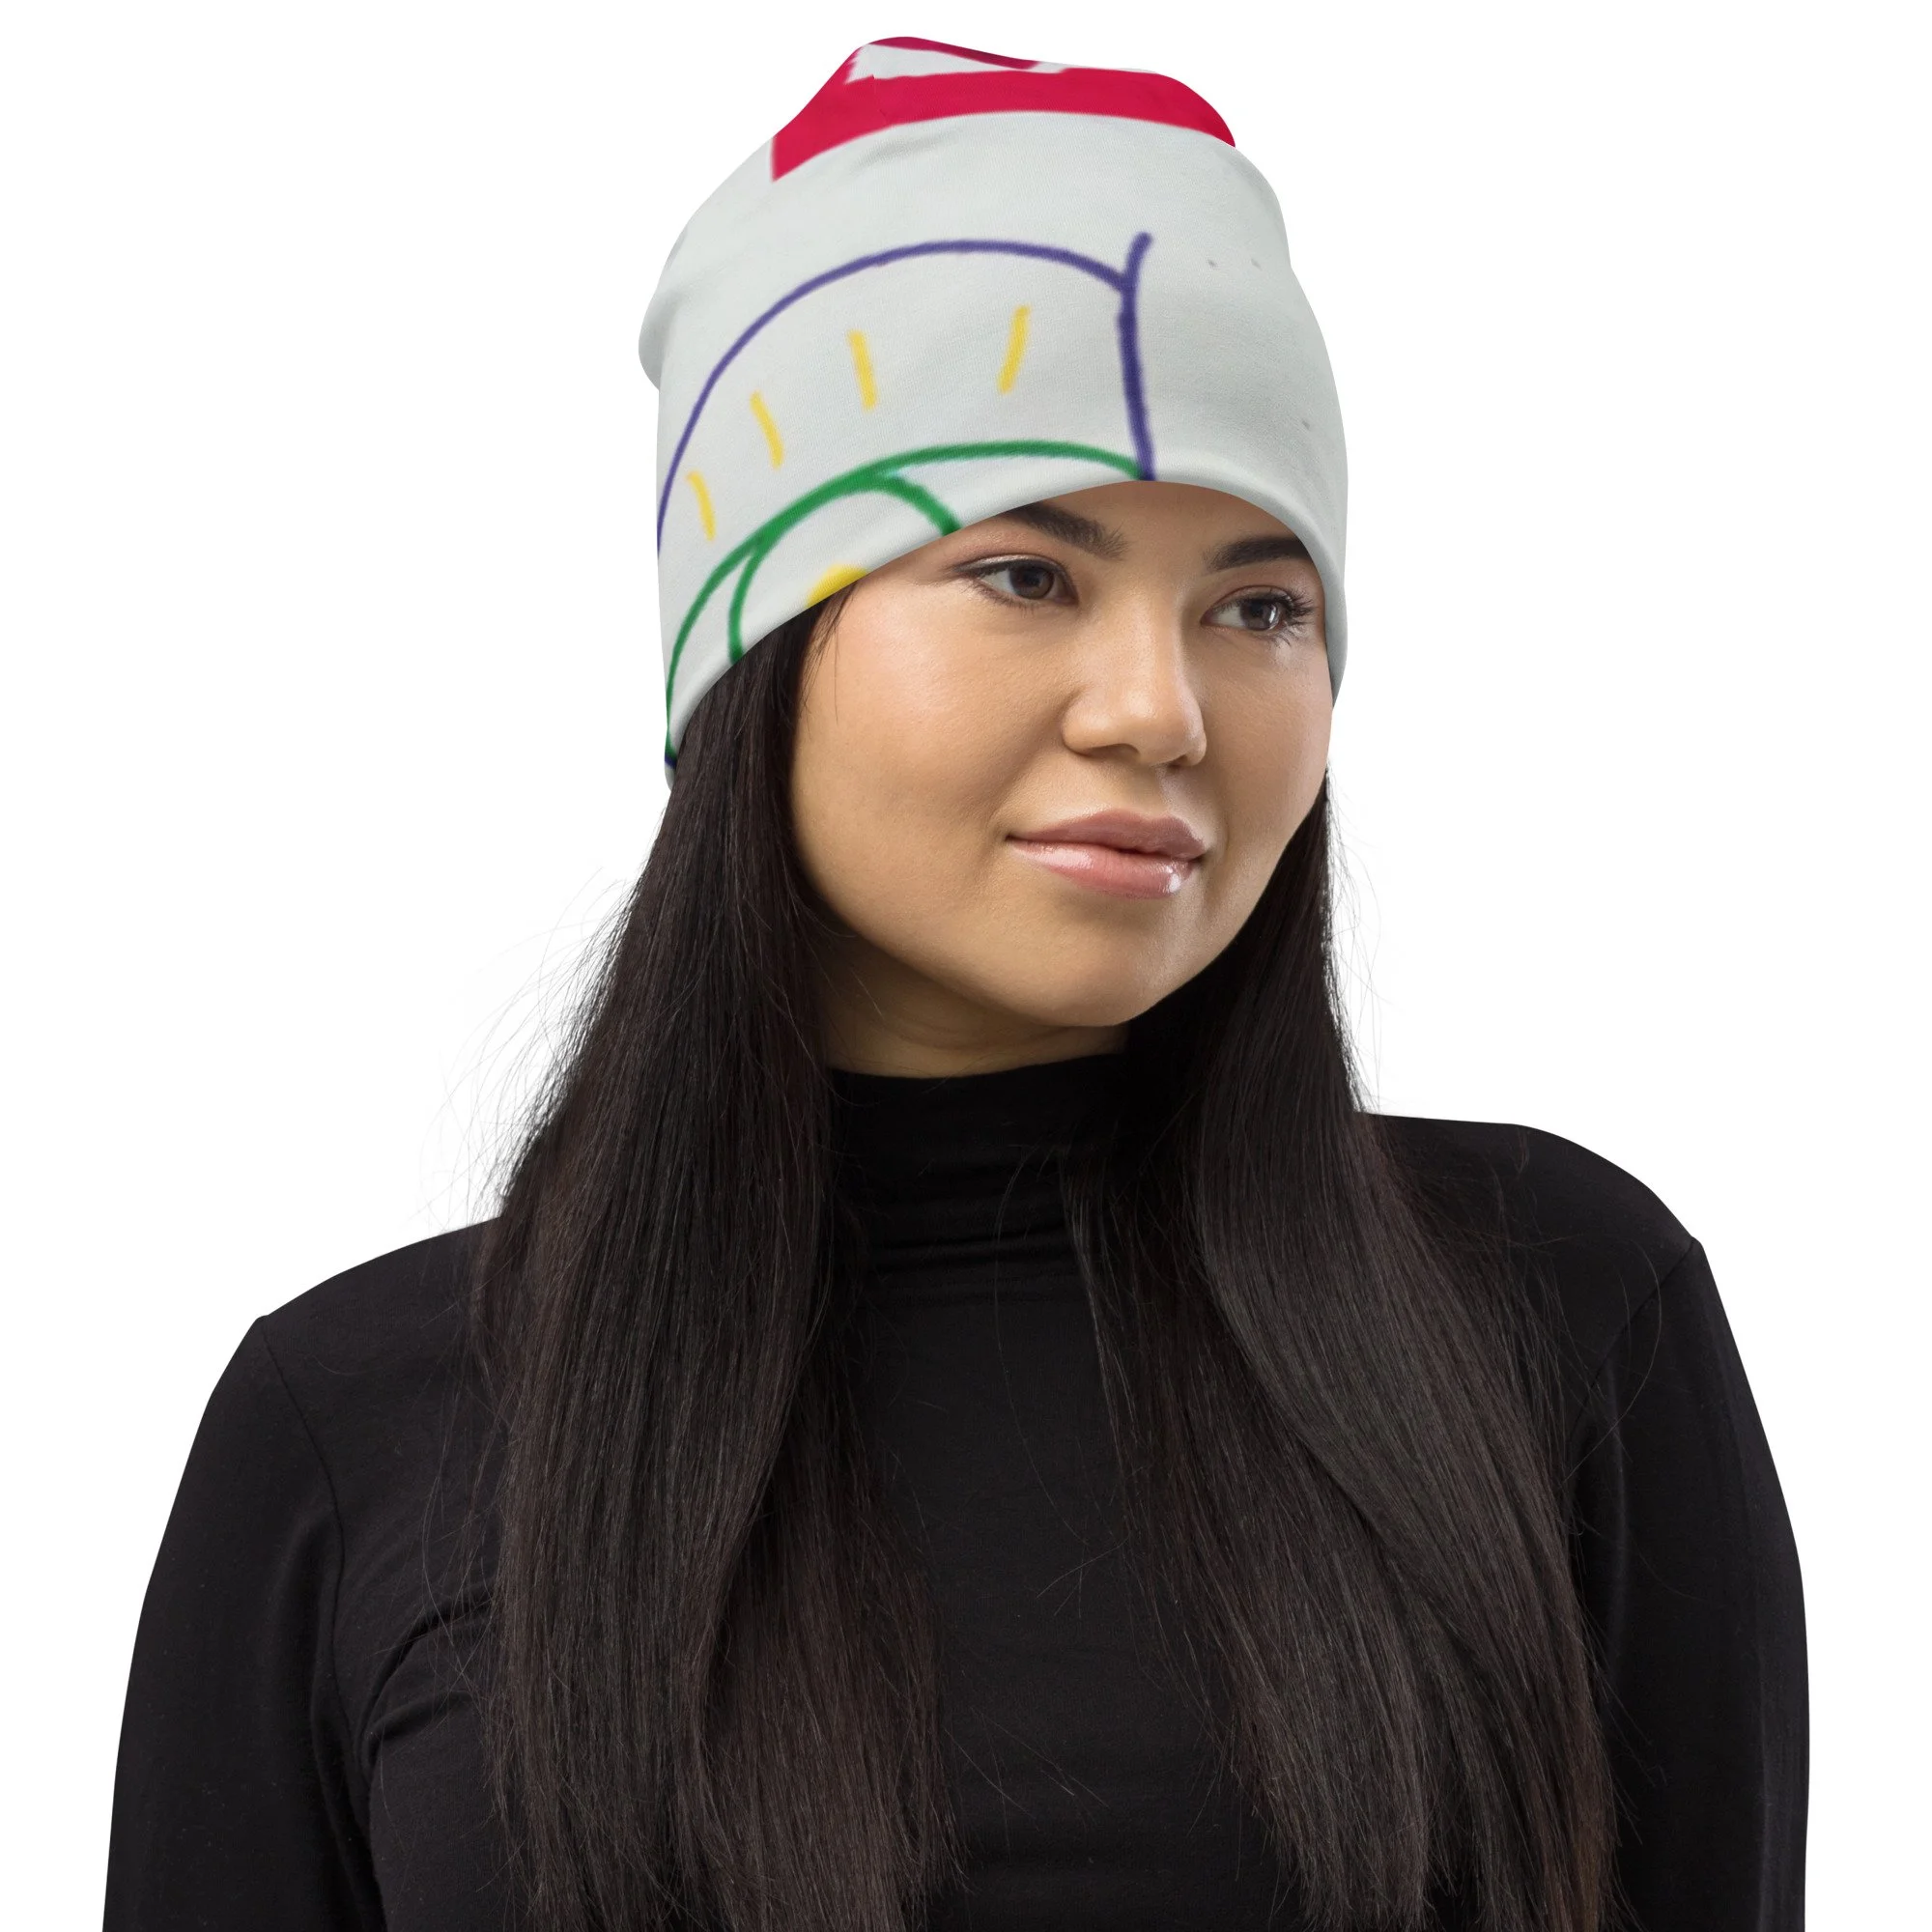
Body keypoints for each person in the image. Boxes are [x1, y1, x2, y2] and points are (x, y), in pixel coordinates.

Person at [103, 37, 1806, 1932]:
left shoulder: (1559, 1314)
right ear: (758, 649)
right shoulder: (357, 1429)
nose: (1159, 709)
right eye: (1025, 575)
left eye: (1258, 603)